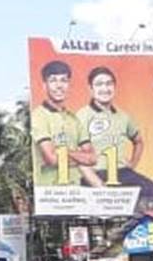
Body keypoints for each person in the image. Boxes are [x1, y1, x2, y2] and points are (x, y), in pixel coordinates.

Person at [75, 66, 153, 199]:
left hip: (122, 173)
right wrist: (101, 188)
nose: (105, 88)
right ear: (91, 89)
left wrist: (132, 164)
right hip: (96, 175)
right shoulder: (82, 116)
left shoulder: (123, 116)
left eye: (109, 84)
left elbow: (138, 141)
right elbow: (79, 161)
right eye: (99, 84)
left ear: (114, 87)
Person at [30, 60, 104, 188]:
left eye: (63, 80)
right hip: (50, 193)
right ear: (44, 85)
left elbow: (92, 158)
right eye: (53, 80)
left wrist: (64, 152)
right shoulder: (38, 116)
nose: (59, 86)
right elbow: (52, 159)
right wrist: (80, 157)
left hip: (75, 191)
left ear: (69, 85)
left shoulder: (74, 120)